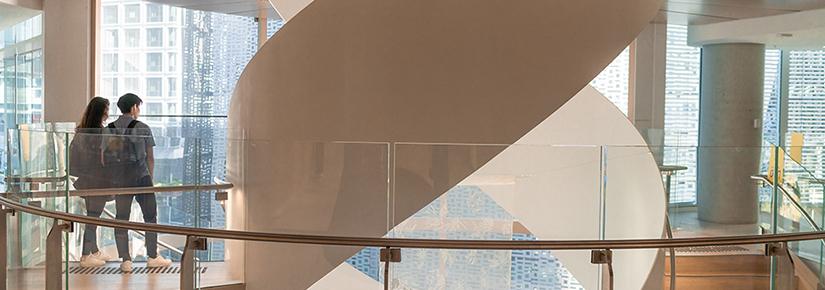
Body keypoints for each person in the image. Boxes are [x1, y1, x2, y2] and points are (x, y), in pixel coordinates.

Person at [106, 93, 171, 272]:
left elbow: (105, 158)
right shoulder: (143, 128)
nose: (139, 111)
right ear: (134, 107)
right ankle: (152, 256)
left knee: (121, 219)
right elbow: (150, 157)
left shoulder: (108, 129)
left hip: (120, 180)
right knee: (150, 217)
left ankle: (125, 260)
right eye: (139, 107)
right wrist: (150, 177)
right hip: (142, 178)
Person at [72, 97, 114, 268]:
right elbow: (107, 159)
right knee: (93, 218)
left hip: (86, 180)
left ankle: (95, 251)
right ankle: (84, 256)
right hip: (99, 180)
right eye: (106, 109)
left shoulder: (81, 131)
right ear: (101, 112)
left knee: (92, 215)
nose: (108, 113)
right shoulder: (101, 133)